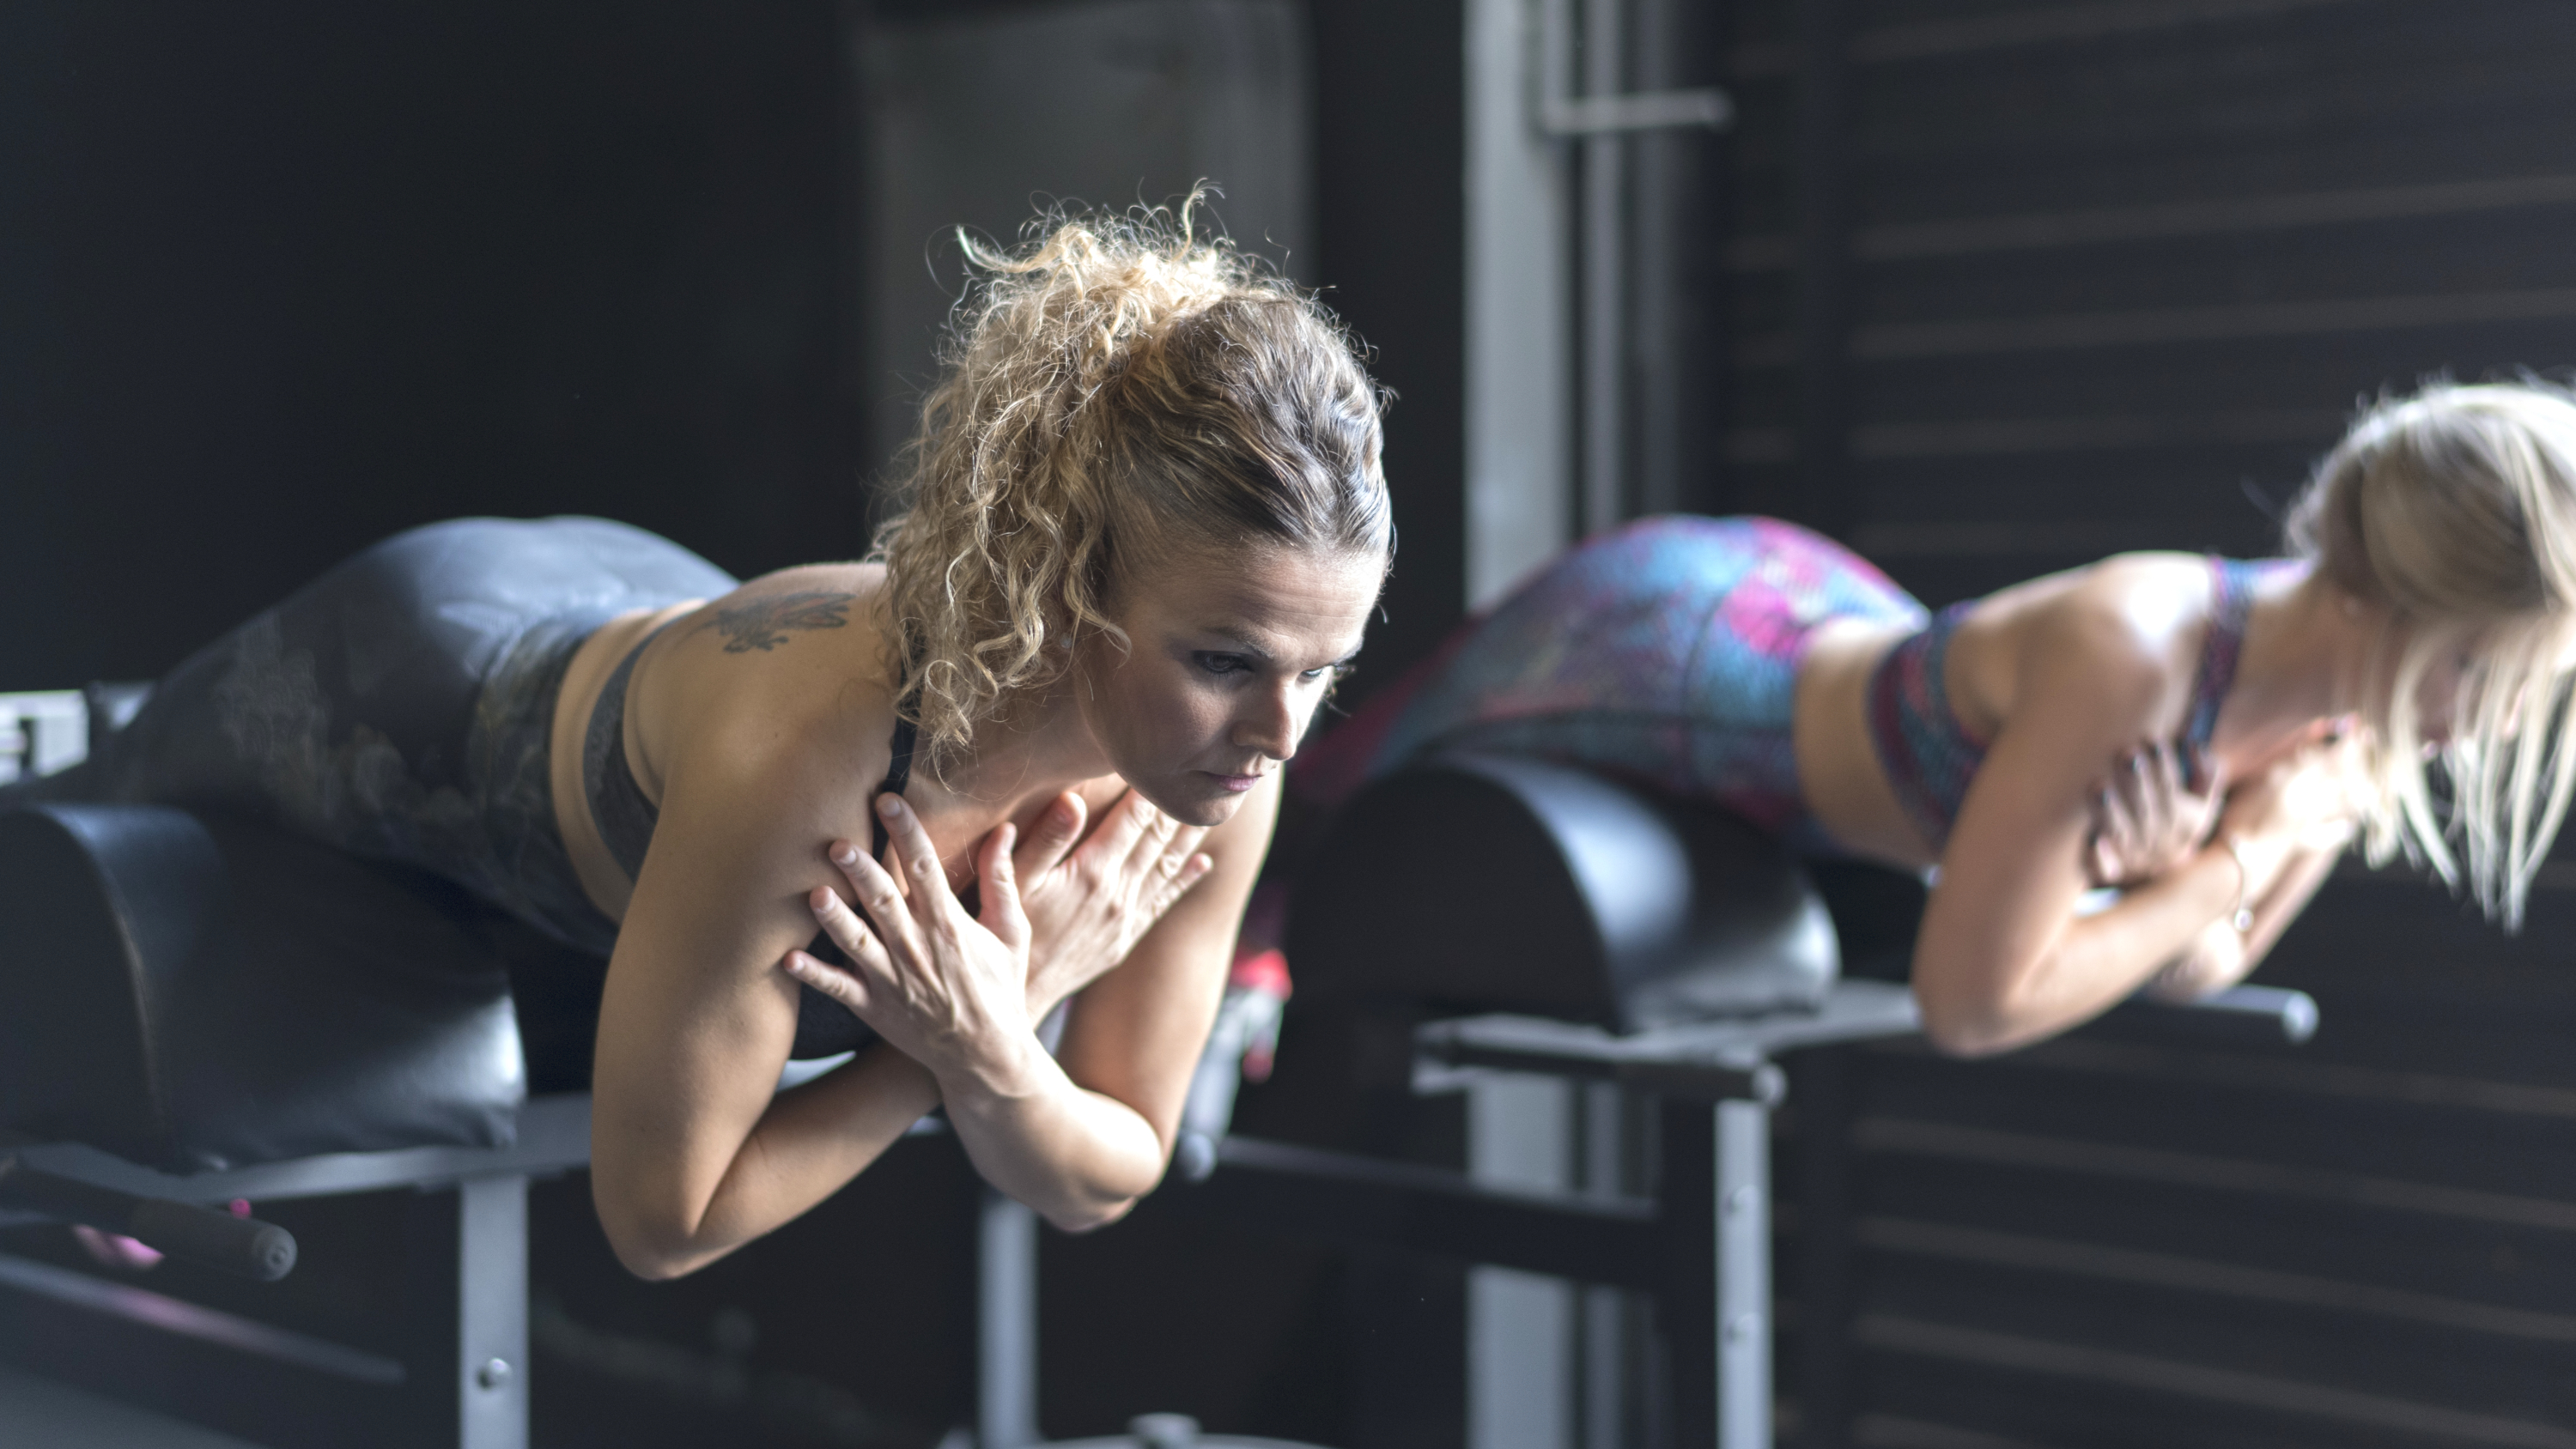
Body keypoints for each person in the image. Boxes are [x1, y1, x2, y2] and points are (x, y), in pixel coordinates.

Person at [6, 203, 1394, 1279]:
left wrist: (985, 1045)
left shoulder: (1216, 779)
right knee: (85, 801)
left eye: (1321, 672)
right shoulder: (824, 761)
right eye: (1225, 661)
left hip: (663, 626)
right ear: (1074, 585)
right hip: (440, 679)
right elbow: (663, 1221)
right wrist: (947, 1043)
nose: (1280, 731)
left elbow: (1113, 1166)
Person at [1291, 380, 2576, 1056]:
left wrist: (2159, 885)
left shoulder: (2349, 731)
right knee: (1317, 790)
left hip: (1824, 669)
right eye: (2486, 671)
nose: (2500, 721)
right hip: (1690, 659)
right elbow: (1972, 1006)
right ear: (2391, 607)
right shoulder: (2142, 657)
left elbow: (2203, 962)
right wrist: (2223, 861)